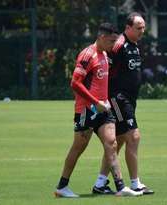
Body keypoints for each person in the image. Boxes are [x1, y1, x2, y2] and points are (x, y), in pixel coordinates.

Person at [54, 22, 142, 198]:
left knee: (112, 143)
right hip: (86, 111)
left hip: (103, 110)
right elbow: (75, 83)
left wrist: (106, 102)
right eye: (111, 41)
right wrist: (96, 102)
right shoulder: (88, 55)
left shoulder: (104, 54)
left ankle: (120, 187)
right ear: (101, 37)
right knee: (78, 148)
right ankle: (62, 187)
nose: (113, 46)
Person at [92, 12, 154, 195]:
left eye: (143, 27)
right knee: (134, 137)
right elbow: (103, 64)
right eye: (138, 28)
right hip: (118, 98)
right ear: (127, 28)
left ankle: (100, 183)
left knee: (117, 142)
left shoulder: (134, 45)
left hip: (130, 100)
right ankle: (135, 183)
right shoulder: (118, 44)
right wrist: (103, 95)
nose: (142, 31)